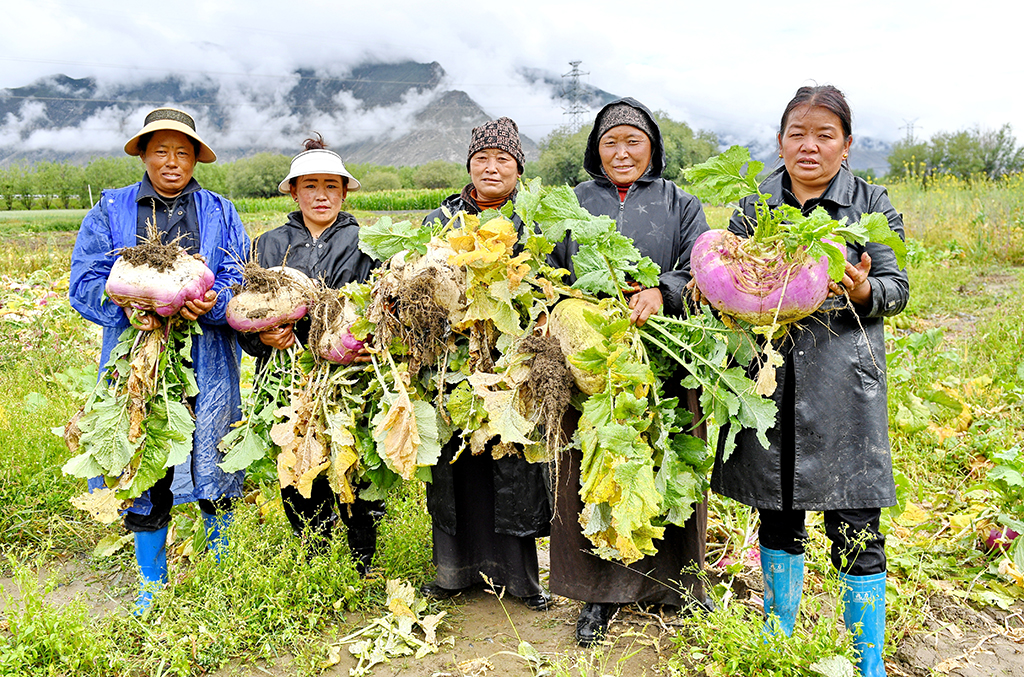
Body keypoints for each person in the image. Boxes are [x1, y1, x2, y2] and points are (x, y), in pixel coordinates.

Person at [709, 85, 909, 677]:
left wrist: (865, 289)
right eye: (798, 133)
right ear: (780, 141)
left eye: (825, 135)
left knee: (855, 522)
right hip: (771, 380)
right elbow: (733, 280)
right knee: (778, 509)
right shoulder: (754, 206)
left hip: (845, 382)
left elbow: (898, 288)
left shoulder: (871, 206)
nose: (810, 146)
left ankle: (866, 662)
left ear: (846, 146)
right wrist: (719, 293)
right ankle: (780, 645)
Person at [69, 108, 250, 613]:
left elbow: (237, 277)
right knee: (146, 466)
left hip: (208, 359)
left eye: (183, 152)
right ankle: (152, 584)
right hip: (138, 360)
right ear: (144, 154)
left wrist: (210, 304)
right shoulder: (110, 210)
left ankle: (221, 569)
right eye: (161, 151)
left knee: (215, 457)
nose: (173, 162)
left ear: (196, 158)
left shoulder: (221, 210)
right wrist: (128, 305)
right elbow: (83, 283)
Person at [547, 98, 713, 646]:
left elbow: (701, 268)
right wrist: (576, 302)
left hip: (663, 359)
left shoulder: (680, 203)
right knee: (598, 470)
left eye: (633, 142)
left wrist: (661, 291)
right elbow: (547, 273)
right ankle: (599, 596)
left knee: (670, 464)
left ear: (652, 148)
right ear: (596, 150)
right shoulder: (572, 202)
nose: (621, 152)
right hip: (596, 365)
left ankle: (681, 584)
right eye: (610, 143)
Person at [419, 117, 552, 612]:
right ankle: (454, 573)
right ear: (469, 167)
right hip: (454, 360)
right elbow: (423, 280)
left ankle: (520, 580)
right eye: (482, 159)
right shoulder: (443, 217)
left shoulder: (534, 220)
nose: (492, 167)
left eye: (503, 159)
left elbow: (551, 281)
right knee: (457, 465)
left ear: (517, 167)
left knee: (512, 459)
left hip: (514, 360)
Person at [237, 135, 383, 573]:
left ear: (343, 191)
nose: (321, 195)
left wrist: (370, 344)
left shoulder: (366, 242)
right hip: (285, 374)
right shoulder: (266, 244)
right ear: (294, 191)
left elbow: (381, 309)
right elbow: (246, 309)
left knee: (350, 460)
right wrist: (259, 340)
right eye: (310, 186)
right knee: (298, 459)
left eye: (331, 186)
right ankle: (314, 555)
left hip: (346, 378)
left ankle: (362, 560)